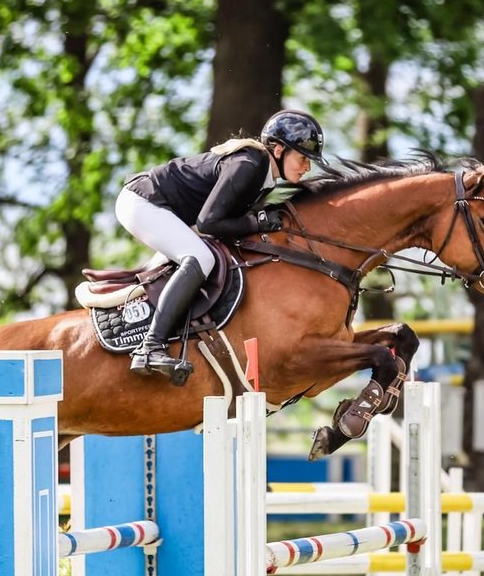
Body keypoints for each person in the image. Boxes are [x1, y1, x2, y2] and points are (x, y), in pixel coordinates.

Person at [116, 109, 327, 381]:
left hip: (162, 208)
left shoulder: (264, 177)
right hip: (143, 202)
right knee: (201, 258)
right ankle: (150, 346)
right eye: (302, 158)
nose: (306, 167)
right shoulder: (250, 165)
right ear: (278, 149)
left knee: (205, 256)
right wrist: (258, 223)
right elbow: (208, 223)